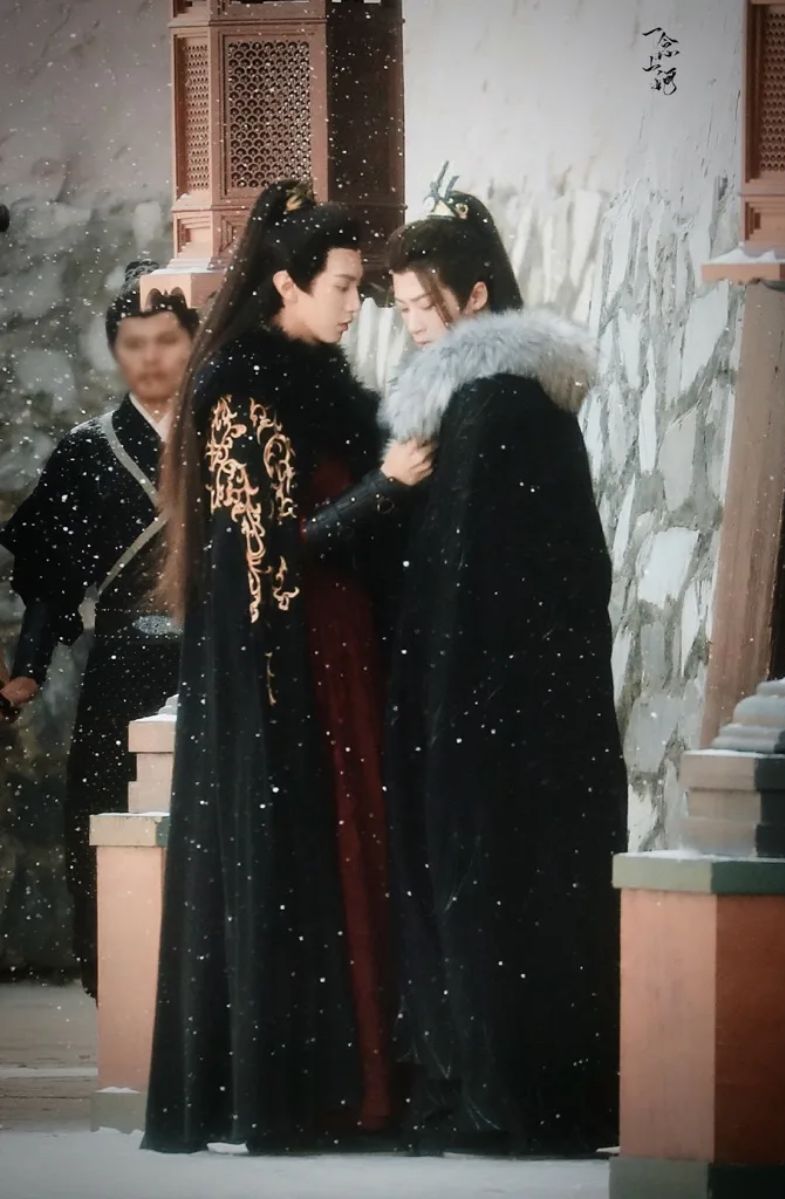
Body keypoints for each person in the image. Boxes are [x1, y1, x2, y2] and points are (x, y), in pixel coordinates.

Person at [142, 180, 432, 1155]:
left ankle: (365, 1086)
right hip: (287, 660)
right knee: (309, 855)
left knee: (356, 850)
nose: (354, 303)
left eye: (356, 285)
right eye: (342, 286)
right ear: (285, 283)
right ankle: (305, 1091)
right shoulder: (240, 389)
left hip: (344, 654)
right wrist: (383, 490)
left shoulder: (325, 381)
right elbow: (266, 551)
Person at [382, 188, 627, 1155]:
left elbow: (475, 579)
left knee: (496, 891)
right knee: (529, 894)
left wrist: (447, 702)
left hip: (495, 710)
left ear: (474, 296)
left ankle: (504, 1098)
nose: (410, 323)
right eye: (402, 306)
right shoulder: (503, 398)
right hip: (524, 707)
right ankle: (529, 1093)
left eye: (422, 303)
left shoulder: (492, 405)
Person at [0, 261, 198, 999]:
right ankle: (120, 977)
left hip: (212, 659)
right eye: (135, 342)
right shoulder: (88, 450)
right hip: (122, 666)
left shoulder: (222, 437)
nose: (152, 358)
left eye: (167, 340)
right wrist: (29, 665)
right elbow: (51, 577)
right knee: (111, 820)